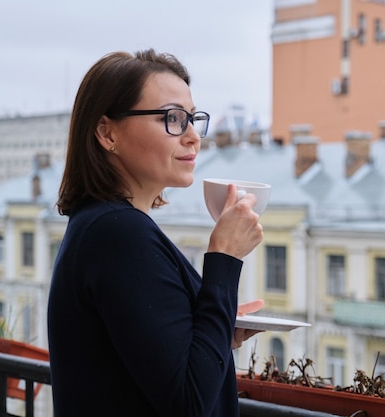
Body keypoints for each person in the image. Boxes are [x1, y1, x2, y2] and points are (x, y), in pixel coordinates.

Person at [47, 48, 264, 417]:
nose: (194, 136)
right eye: (173, 118)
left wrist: (216, 324)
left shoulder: (103, 225)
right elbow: (189, 402)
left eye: (193, 119)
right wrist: (225, 256)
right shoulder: (118, 234)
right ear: (107, 132)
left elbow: (139, 361)